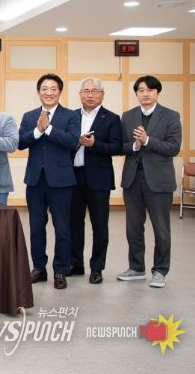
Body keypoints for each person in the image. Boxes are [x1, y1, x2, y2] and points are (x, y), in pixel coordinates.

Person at [117, 75, 181, 288]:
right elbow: (121, 145)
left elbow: (174, 147)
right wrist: (134, 146)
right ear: (136, 93)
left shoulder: (171, 116)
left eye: (150, 90)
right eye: (141, 90)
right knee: (133, 228)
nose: (145, 94)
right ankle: (136, 268)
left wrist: (147, 141)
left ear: (157, 92)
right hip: (132, 179)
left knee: (161, 229)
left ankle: (160, 271)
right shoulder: (128, 116)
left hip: (159, 181)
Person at [18, 74, 80, 290]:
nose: (49, 92)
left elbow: (72, 141)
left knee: (62, 227)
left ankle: (60, 270)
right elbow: (20, 142)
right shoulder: (29, 116)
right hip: (35, 180)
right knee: (36, 226)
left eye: (53, 89)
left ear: (60, 92)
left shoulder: (71, 116)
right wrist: (37, 130)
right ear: (39, 92)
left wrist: (50, 129)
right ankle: (39, 268)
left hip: (61, 181)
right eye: (44, 88)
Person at [69, 77, 122, 285]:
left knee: (100, 226)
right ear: (80, 94)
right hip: (73, 177)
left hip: (99, 179)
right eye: (86, 91)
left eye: (94, 91)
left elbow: (117, 147)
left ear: (102, 94)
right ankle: (76, 263)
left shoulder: (111, 118)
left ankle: (97, 268)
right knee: (74, 223)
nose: (90, 95)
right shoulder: (71, 116)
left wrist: (94, 144)